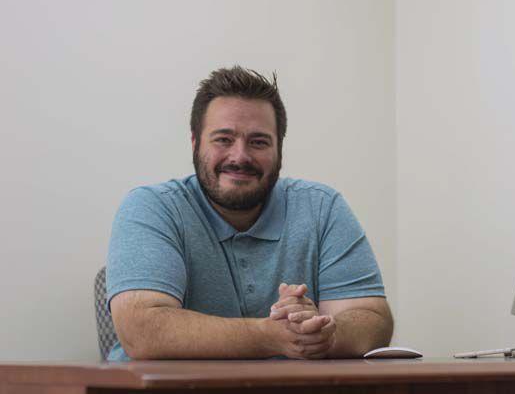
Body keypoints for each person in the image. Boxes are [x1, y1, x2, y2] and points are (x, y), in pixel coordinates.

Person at [106, 66, 393, 361]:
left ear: (279, 149)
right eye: (223, 139)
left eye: (258, 142)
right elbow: (143, 332)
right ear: (195, 144)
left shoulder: (323, 207)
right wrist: (272, 335)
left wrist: (323, 331)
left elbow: (372, 320)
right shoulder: (152, 208)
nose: (240, 156)